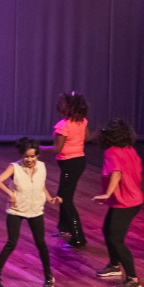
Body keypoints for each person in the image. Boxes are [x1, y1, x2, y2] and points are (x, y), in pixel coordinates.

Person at [0, 138, 60, 287]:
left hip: (36, 210)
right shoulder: (15, 167)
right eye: (26, 156)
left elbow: (41, 186)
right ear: (21, 155)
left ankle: (48, 276)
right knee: (11, 243)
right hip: (16, 210)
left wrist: (50, 199)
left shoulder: (42, 167)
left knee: (41, 243)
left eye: (33, 156)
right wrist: (11, 194)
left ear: (37, 155)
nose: (29, 159)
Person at [93, 118, 144, 287]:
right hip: (130, 199)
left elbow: (116, 172)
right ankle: (114, 265)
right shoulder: (130, 150)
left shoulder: (112, 152)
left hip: (126, 202)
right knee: (107, 230)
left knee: (116, 238)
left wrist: (108, 193)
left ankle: (132, 279)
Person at [52, 90, 90, 247]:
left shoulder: (63, 125)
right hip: (79, 161)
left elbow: (57, 149)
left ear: (68, 106)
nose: (58, 104)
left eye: (61, 102)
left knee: (65, 199)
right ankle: (64, 228)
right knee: (63, 195)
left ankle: (78, 237)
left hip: (69, 163)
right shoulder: (82, 121)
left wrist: (37, 149)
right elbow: (87, 137)